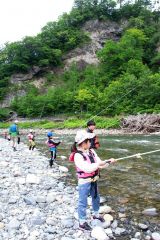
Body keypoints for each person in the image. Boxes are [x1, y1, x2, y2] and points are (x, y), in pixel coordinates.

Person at [71, 130, 116, 231]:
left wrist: (108, 162)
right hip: (84, 182)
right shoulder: (77, 155)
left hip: (94, 179)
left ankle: (96, 214)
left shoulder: (91, 151)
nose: (90, 142)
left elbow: (100, 163)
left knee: (96, 197)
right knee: (83, 201)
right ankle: (82, 222)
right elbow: (87, 168)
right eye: (88, 141)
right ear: (83, 143)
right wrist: (100, 164)